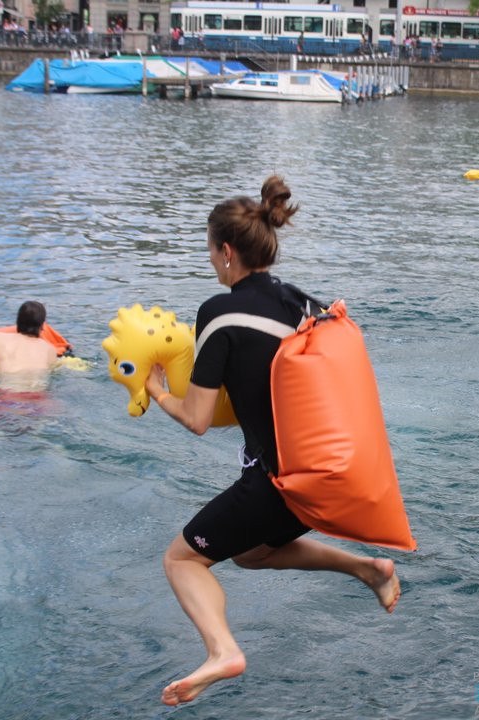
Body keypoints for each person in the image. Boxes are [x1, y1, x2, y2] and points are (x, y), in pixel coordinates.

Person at [144, 176, 401, 707]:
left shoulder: (219, 313)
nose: (212, 261)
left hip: (279, 482)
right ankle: (368, 567)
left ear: (227, 251)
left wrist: (156, 391)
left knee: (183, 561)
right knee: (253, 553)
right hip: (327, 478)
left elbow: (196, 418)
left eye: (211, 251)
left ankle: (221, 651)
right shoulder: (303, 304)